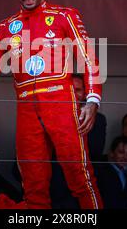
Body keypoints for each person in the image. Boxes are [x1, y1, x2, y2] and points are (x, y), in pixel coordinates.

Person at [0, 0, 103, 209]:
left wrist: (92, 99)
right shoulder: (3, 27)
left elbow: (89, 57)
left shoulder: (64, 15)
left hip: (62, 106)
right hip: (26, 110)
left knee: (81, 178)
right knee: (33, 187)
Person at [50, 73, 107, 209]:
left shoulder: (98, 119)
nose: (74, 94)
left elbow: (95, 151)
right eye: (70, 89)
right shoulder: (51, 116)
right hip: (56, 190)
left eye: (78, 90)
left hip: (84, 188)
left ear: (86, 93)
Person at [95, 136, 127, 209]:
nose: (125, 157)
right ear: (112, 153)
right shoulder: (102, 173)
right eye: (121, 152)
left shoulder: (126, 177)